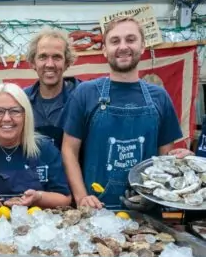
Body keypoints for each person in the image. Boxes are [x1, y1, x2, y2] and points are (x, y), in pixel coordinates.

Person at [61, 16, 183, 211]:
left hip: (147, 213)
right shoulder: (86, 93)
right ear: (104, 49)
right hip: (96, 211)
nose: (123, 47)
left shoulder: (160, 97)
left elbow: (165, 160)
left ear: (142, 46)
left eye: (131, 39)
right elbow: (68, 150)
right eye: (115, 41)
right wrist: (82, 197)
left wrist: (181, 162)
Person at [0, 83, 71, 214]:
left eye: (15, 111)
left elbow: (65, 198)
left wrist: (38, 197)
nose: (6, 119)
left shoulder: (45, 149)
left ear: (25, 115)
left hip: (33, 228)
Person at [24, 28, 80, 150]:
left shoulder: (82, 97)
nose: (49, 64)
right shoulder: (21, 101)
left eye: (57, 57)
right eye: (43, 57)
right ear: (33, 62)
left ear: (67, 63)